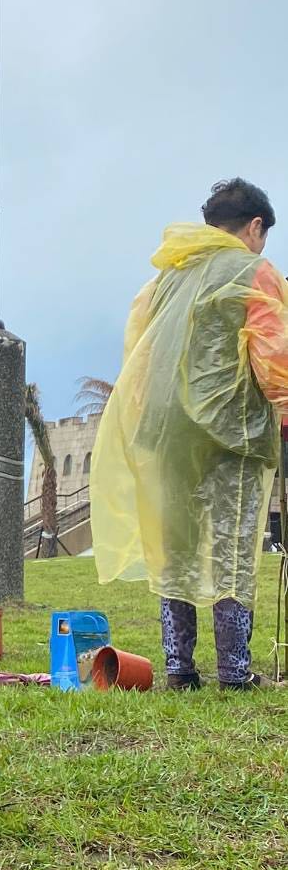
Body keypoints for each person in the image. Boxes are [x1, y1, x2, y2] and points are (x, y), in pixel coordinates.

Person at [92, 178, 288, 690]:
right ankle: (235, 672)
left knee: (175, 547)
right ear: (255, 226)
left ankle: (179, 669)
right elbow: (273, 359)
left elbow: (139, 355)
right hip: (232, 434)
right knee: (232, 550)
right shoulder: (255, 272)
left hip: (162, 433)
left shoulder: (163, 280)